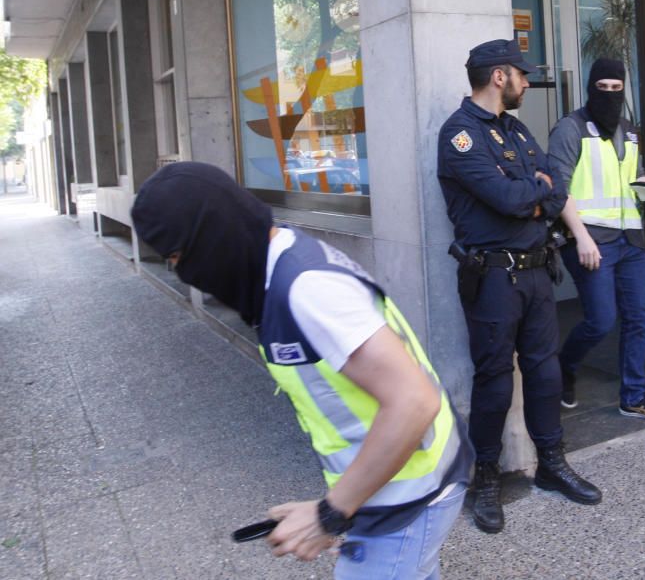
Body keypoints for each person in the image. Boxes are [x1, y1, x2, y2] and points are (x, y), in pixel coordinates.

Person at [131, 162, 473, 579]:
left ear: (212, 233)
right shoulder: (281, 262)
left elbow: (414, 401)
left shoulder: (306, 288)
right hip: (390, 492)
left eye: (179, 257)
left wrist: (331, 513)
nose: (184, 275)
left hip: (408, 500)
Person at [437, 39, 601, 534]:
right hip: (492, 279)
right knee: (493, 382)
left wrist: (538, 195)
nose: (528, 83)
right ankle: (485, 478)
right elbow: (508, 198)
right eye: (523, 75)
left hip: (536, 271)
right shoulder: (460, 134)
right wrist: (536, 195)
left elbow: (556, 184)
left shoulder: (515, 129)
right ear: (499, 76)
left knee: (545, 372)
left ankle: (551, 463)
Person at [547, 58, 645, 422]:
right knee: (601, 320)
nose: (609, 94)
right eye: (601, 88)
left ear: (623, 89)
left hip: (629, 238)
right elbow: (557, 189)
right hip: (590, 240)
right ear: (591, 87)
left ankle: (634, 397)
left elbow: (634, 177)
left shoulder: (629, 130)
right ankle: (564, 366)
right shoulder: (570, 129)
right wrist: (581, 237)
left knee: (642, 316)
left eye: (615, 89)